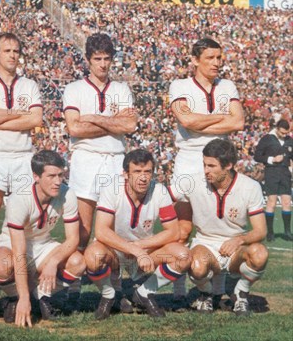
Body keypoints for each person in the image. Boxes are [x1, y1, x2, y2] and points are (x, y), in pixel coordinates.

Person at [168, 37, 244, 307]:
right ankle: (178, 286)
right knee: (183, 228)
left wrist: (201, 124)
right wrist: (221, 120)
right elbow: (186, 120)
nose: (216, 62)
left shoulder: (228, 86)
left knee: (219, 225)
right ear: (195, 60)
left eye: (219, 57)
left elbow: (239, 121)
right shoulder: (180, 85)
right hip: (189, 160)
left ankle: (214, 291)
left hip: (220, 159)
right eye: (210, 57)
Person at [62, 33, 137, 302]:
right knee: (81, 230)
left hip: (116, 160)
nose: (103, 65)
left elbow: (129, 125)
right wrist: (110, 121)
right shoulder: (74, 89)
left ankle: (115, 289)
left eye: (107, 59)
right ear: (87, 60)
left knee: (112, 229)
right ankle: (73, 287)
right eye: (97, 59)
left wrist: (92, 118)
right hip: (85, 159)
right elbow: (74, 128)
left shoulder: (121, 89)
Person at [84, 149, 191, 319]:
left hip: (145, 249)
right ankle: (109, 294)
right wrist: (134, 250)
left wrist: (139, 247)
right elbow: (102, 230)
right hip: (114, 249)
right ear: (125, 174)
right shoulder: (112, 188)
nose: (143, 177)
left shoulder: (159, 191)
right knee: (93, 256)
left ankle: (144, 293)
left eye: (147, 172)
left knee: (183, 255)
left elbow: (173, 232)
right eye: (137, 172)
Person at [169, 139, 268, 316]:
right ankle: (206, 293)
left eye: (212, 166)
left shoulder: (250, 186)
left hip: (235, 247)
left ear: (228, 165)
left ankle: (240, 293)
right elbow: (162, 196)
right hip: (205, 243)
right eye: (204, 164)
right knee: (197, 266)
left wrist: (239, 240)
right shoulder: (193, 182)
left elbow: (261, 231)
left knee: (260, 254)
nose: (206, 171)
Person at [0, 150, 85, 327]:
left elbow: (73, 239)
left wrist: (53, 262)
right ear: (36, 176)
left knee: (78, 262)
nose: (58, 181)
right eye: (51, 176)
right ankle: (16, 298)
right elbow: (19, 252)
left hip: (43, 244)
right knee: (4, 265)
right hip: (12, 244)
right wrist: (23, 299)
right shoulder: (19, 198)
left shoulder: (67, 193)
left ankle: (40, 296)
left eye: (60, 175)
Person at [0, 33, 43, 244]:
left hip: (23, 158)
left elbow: (36, 119)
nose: (12, 56)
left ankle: (15, 268)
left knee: (24, 222)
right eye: (7, 51)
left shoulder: (29, 85)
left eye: (16, 51)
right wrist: (19, 113)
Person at [253, 119, 293, 241]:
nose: (284, 135)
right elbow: (257, 156)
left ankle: (287, 232)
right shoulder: (267, 138)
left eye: (286, 133)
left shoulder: (289, 140)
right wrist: (272, 159)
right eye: (282, 133)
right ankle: (270, 232)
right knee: (271, 202)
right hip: (271, 172)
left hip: (285, 173)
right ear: (277, 128)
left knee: (286, 202)